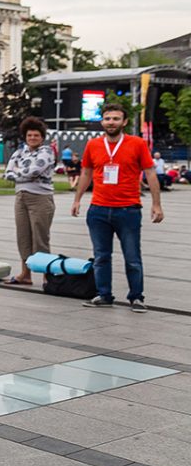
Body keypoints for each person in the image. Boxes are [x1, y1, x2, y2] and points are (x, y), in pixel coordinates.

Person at [72, 103, 163, 311]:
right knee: (101, 256)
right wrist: (77, 200)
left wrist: (156, 204)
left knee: (132, 257)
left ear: (124, 122)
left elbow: (150, 173)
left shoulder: (137, 143)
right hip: (98, 209)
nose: (111, 122)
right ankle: (104, 295)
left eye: (115, 118)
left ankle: (136, 297)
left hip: (128, 209)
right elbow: (86, 173)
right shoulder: (93, 145)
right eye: (107, 118)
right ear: (102, 121)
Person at [3, 117, 55, 286]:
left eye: (36, 135)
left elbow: (34, 171)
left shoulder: (46, 152)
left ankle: (48, 276)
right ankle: (26, 274)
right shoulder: (19, 152)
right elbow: (7, 172)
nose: (32, 138)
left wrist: (19, 172)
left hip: (40, 198)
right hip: (21, 197)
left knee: (40, 238)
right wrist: (20, 172)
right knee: (23, 236)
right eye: (29, 135)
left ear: (42, 137)